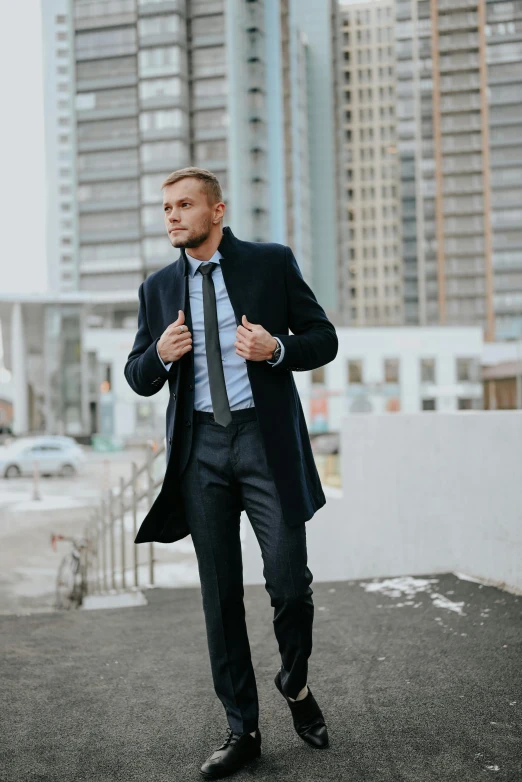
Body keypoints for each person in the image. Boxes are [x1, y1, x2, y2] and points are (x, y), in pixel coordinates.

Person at [124, 167, 338, 779]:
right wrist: (159, 357)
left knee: (290, 586)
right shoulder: (158, 287)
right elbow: (137, 375)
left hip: (265, 444)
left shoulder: (270, 262)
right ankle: (241, 729)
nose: (172, 216)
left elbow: (324, 338)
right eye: (166, 207)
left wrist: (276, 349)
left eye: (184, 205)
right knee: (219, 600)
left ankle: (295, 686)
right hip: (202, 454)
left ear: (217, 211)